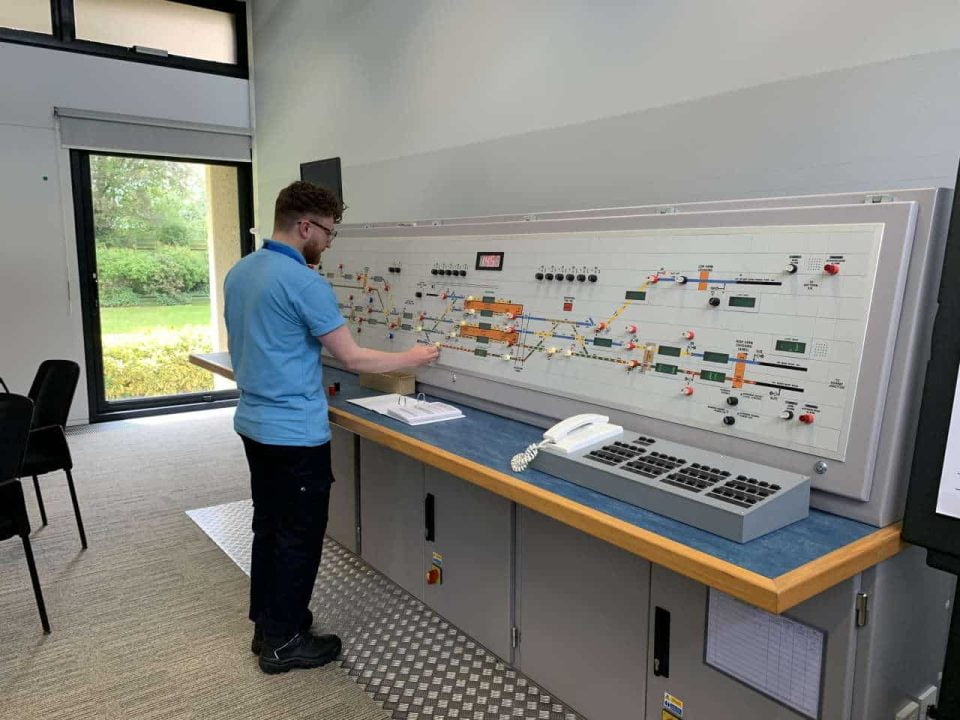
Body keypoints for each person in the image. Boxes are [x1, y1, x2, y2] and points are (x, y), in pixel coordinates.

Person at [223, 181, 440, 674]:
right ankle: (284, 643)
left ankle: (271, 626)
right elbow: (354, 356)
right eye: (329, 232)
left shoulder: (242, 271)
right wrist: (416, 356)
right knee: (299, 536)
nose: (328, 242)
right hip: (294, 433)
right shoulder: (304, 282)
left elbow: (267, 345)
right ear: (306, 226)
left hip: (254, 423)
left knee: (270, 527)